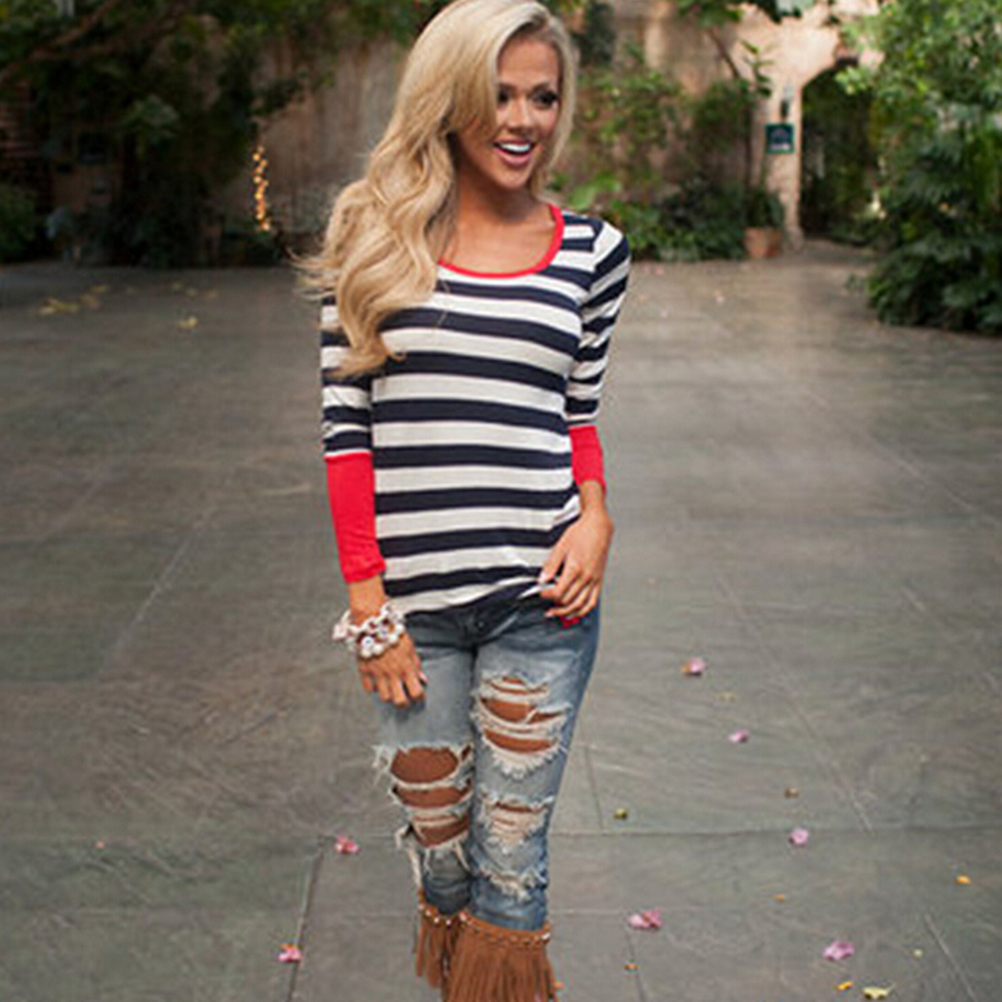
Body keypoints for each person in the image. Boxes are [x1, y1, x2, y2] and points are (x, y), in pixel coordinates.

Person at [309, 1, 629, 998]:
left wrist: (597, 516)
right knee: (442, 857)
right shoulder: (371, 238)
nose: (524, 119)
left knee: (510, 860)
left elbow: (576, 412)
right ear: (447, 101)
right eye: (499, 95)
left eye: (543, 97)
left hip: (543, 599)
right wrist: (371, 610)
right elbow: (346, 435)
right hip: (414, 616)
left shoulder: (592, 252)